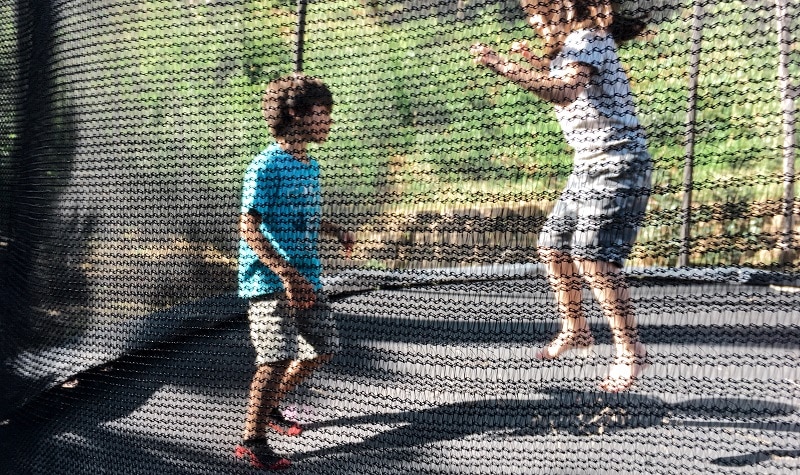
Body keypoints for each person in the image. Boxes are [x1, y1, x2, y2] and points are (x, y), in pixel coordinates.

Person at [470, 0, 652, 393]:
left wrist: (506, 67)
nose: (534, 20)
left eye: (540, 10)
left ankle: (630, 351)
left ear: (566, 8)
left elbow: (566, 91)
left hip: (618, 161)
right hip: (587, 165)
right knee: (553, 246)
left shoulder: (587, 37)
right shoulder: (572, 47)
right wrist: (535, 65)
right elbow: (568, 82)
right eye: (529, 13)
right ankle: (577, 329)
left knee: (592, 257)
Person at [234, 74, 354, 470]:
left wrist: (335, 229)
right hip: (270, 280)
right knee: (275, 357)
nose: (328, 122)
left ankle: (270, 408)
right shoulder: (266, 166)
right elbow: (249, 227)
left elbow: (304, 216)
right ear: (295, 114)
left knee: (322, 348)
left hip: (308, 276)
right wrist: (285, 274)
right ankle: (252, 440)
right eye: (323, 114)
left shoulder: (311, 166)